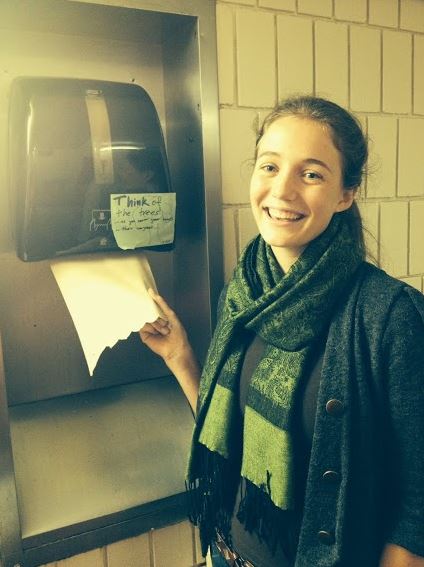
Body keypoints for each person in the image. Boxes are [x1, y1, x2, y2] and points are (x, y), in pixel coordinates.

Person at [139, 96, 424, 567]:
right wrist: (181, 358)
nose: (283, 191)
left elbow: (417, 502)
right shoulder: (245, 291)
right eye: (269, 166)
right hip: (225, 553)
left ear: (346, 194)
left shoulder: (388, 316)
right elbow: (232, 432)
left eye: (311, 174)